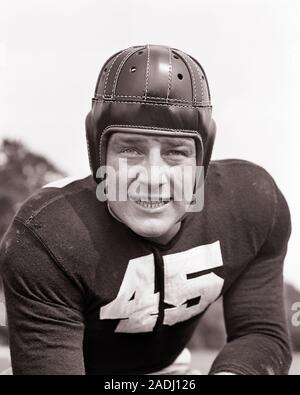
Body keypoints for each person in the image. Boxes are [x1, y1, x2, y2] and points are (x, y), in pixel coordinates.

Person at [0, 44, 292, 375]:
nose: (153, 178)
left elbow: (261, 334)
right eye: (130, 149)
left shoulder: (251, 204)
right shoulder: (45, 237)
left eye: (176, 152)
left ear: (201, 158)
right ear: (99, 154)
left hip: (170, 372)